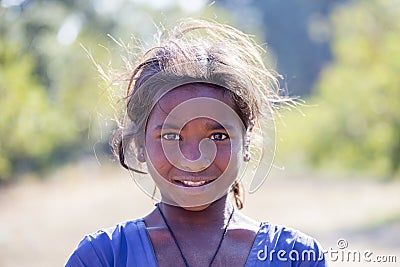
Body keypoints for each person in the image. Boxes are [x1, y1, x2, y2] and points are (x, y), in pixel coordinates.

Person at [66, 19, 327, 266]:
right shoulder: (104, 257)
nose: (194, 159)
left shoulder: (296, 257)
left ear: (246, 142)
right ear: (140, 145)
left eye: (218, 136)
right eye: (170, 136)